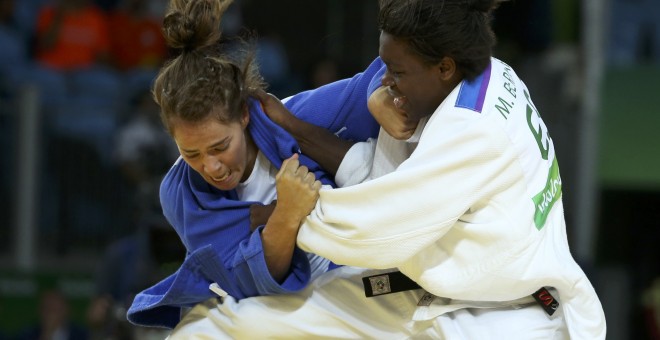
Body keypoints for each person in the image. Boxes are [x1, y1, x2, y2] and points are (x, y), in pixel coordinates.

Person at [170, 0, 607, 339]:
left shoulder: (471, 129)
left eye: (396, 72)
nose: (385, 81)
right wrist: (297, 128)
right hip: (429, 292)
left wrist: (279, 215)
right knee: (216, 326)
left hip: (504, 314)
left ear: (443, 67)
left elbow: (373, 230)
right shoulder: (484, 77)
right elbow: (377, 179)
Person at [126, 1, 431, 336]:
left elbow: (367, 83)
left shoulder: (284, 117)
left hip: (368, 270)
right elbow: (252, 282)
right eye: (191, 152)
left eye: (220, 147)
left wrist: (379, 95)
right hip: (283, 304)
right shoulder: (183, 194)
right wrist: (286, 213)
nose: (210, 166)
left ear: (243, 116)